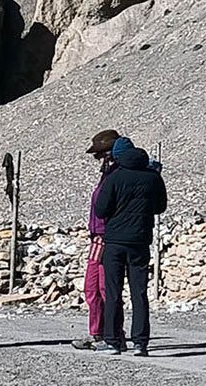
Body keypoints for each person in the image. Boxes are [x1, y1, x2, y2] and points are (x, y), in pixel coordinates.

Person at [90, 136, 168, 355]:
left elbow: (101, 209)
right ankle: (141, 342)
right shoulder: (153, 177)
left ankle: (113, 341)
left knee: (113, 292)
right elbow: (160, 207)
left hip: (115, 241)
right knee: (139, 292)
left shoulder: (115, 177)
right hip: (140, 240)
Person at [72, 130, 123, 351]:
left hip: (108, 236)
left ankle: (114, 334)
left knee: (105, 288)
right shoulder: (106, 175)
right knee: (91, 289)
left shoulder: (117, 176)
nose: (100, 160)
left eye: (101, 155)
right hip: (97, 238)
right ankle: (97, 332)